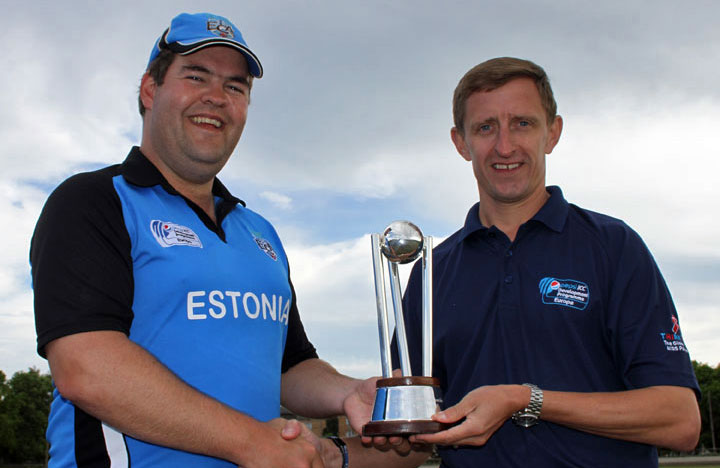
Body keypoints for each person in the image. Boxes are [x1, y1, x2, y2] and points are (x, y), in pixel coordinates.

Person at [30, 12, 405, 468]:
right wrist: (251, 442)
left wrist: (350, 393)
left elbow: (290, 367)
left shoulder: (259, 232)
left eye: (236, 87)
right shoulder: (93, 201)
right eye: (196, 76)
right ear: (150, 89)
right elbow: (85, 367)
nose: (217, 97)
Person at [393, 57, 701, 467]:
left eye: (522, 123)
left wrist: (527, 400)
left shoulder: (613, 246)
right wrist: (331, 452)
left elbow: (679, 420)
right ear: (460, 142)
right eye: (486, 127)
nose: (505, 146)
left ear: (552, 133)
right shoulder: (433, 271)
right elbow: (409, 434)